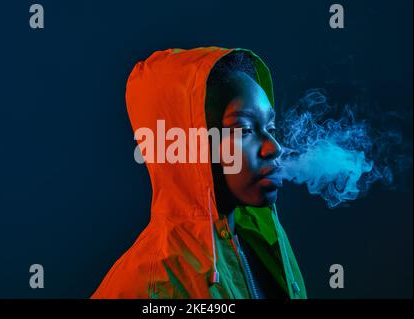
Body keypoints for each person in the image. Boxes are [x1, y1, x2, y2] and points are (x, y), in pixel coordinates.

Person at [92, 47, 306, 299]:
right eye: (243, 129)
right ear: (188, 145)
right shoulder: (146, 285)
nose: (274, 147)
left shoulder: (267, 247)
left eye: (270, 126)